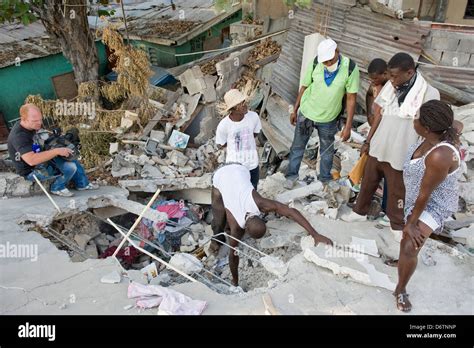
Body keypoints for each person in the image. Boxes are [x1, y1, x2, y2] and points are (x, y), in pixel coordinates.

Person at [342, 53, 440, 240]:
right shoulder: (391, 87)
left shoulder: (429, 93)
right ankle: (359, 212)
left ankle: (396, 224)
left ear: (410, 72)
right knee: (368, 180)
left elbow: (430, 128)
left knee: (397, 189)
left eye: (394, 76)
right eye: (390, 75)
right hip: (380, 143)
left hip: (401, 148)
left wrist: (421, 154)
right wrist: (368, 140)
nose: (391, 80)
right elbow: (379, 115)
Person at [210, 163, 333, 286]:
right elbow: (233, 255)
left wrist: (315, 234)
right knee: (218, 219)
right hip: (221, 174)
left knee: (233, 202)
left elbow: (290, 213)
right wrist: (235, 282)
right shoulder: (237, 226)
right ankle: (216, 240)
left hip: (240, 169)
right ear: (245, 229)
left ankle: (223, 230)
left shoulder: (261, 203)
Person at [395, 100, 462, 312]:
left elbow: (426, 193)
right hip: (417, 197)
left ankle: (401, 289)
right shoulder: (437, 133)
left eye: (417, 119)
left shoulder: (439, 155)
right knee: (407, 241)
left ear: (427, 128)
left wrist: (412, 224)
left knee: (409, 245)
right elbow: (457, 125)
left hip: (434, 204)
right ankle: (402, 262)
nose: (413, 120)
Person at [284, 38, 359, 188]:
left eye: (330, 61)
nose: (328, 64)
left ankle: (325, 179)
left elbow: (351, 98)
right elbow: (304, 87)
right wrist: (295, 108)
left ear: (337, 51)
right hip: (307, 113)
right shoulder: (315, 63)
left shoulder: (350, 67)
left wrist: (348, 126)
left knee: (327, 150)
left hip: (329, 118)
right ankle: (291, 176)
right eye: (325, 62)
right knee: (298, 146)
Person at [7, 103, 98, 197]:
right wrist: (56, 151)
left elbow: (40, 142)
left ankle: (82, 184)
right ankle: (57, 187)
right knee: (70, 167)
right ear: (23, 119)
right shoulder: (19, 136)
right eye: (35, 121)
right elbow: (31, 160)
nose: (39, 123)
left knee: (69, 155)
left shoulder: (30, 125)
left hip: (40, 159)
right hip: (31, 170)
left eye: (40, 119)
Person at [216, 89, 262, 190]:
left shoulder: (253, 117)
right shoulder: (224, 125)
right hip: (235, 167)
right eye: (241, 103)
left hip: (252, 163)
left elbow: (255, 133)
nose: (245, 105)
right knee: (237, 192)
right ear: (233, 109)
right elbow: (221, 144)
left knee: (253, 191)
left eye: (244, 102)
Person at [366, 58, 388, 126]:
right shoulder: (375, 85)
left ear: (385, 74)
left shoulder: (392, 85)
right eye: (371, 78)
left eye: (375, 78)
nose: (372, 81)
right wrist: (369, 114)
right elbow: (370, 94)